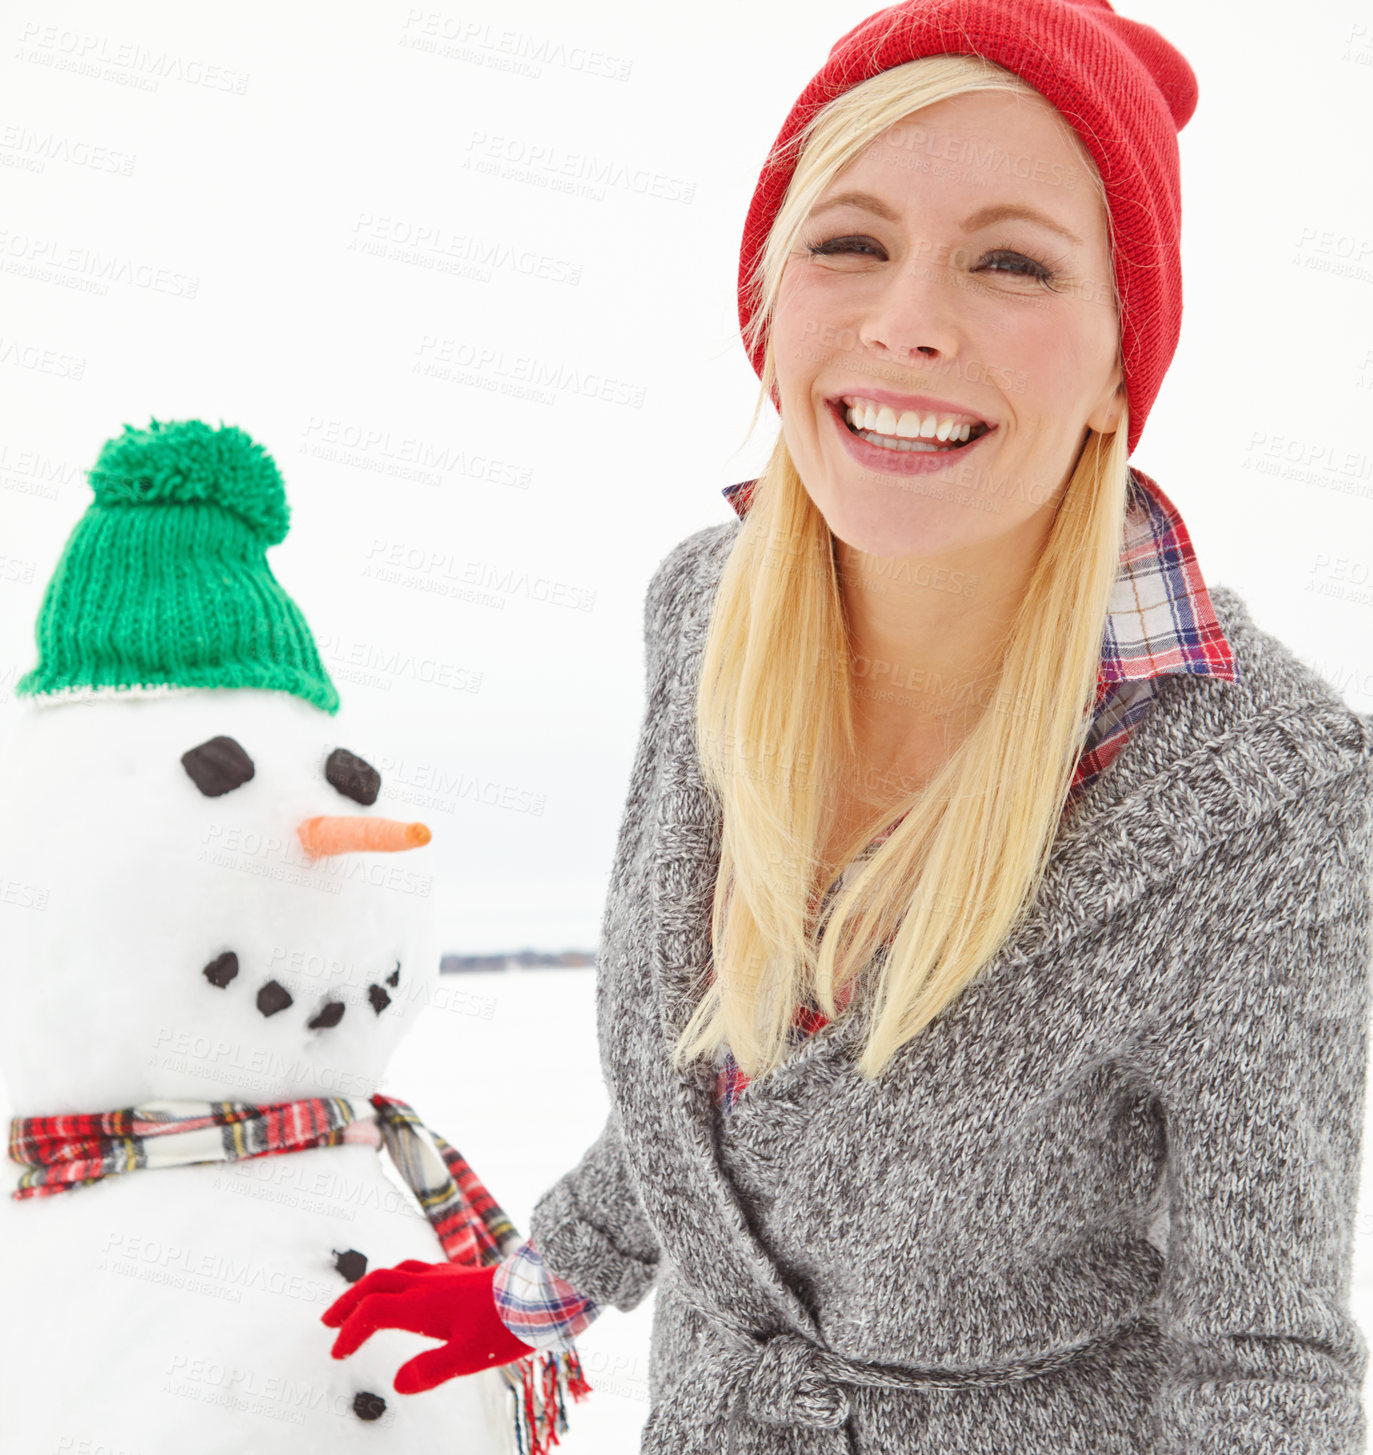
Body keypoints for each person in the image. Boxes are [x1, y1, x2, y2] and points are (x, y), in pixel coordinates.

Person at [322, 1, 1373, 1450]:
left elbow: (1258, 1353)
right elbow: (725, 1090)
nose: (906, 321)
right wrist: (542, 1284)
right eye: (847, 241)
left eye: (1009, 261)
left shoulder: (1267, 797)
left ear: (1122, 357)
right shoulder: (701, 615)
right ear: (766, 299)